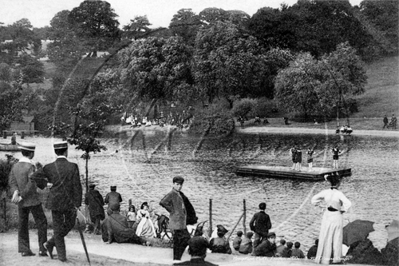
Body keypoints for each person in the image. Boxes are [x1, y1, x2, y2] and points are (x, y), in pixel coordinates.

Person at [42, 141, 82, 262]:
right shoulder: (73, 166)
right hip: (69, 203)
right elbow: (77, 186)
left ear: (55, 152)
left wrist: (45, 184)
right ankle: (61, 256)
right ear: (66, 151)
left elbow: (34, 177)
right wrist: (78, 204)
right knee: (68, 225)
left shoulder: (48, 167)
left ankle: (51, 243)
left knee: (58, 228)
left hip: (55, 202)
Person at [8, 142, 48, 257]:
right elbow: (31, 184)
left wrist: (16, 192)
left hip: (21, 201)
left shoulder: (15, 166)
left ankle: (24, 249)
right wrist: (22, 195)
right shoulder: (31, 166)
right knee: (41, 222)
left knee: (22, 224)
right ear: (31, 153)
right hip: (32, 200)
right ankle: (42, 248)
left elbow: (12, 181)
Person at [311, 174, 351, 264]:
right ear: (338, 183)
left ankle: (324, 258)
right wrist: (343, 210)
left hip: (327, 214)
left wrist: (321, 207)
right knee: (337, 236)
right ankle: (336, 258)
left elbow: (313, 200)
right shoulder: (339, 194)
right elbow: (348, 203)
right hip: (336, 215)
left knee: (325, 235)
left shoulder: (325, 192)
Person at [160, 176, 197, 261]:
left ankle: (177, 258)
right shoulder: (172, 193)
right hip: (176, 221)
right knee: (185, 239)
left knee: (179, 240)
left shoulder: (179, 194)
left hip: (181, 222)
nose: (179, 186)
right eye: (177, 184)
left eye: (180, 185)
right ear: (173, 184)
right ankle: (177, 257)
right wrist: (172, 211)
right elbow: (163, 202)